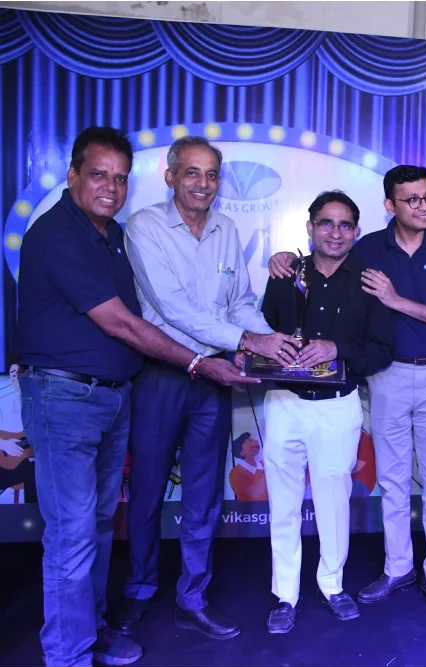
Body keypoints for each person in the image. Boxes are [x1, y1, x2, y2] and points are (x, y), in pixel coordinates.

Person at [15, 126, 254, 667]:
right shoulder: (71, 233)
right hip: (83, 393)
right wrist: (204, 359)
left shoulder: (108, 235)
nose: (111, 187)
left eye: (120, 178)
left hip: (118, 392)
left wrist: (260, 337)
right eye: (98, 175)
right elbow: (133, 320)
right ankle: (73, 651)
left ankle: (103, 627)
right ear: (72, 175)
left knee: (102, 523)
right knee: (79, 531)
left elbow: (237, 301)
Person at [267, 165, 426, 618]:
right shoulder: (367, 249)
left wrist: (397, 300)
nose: (424, 206)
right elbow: (321, 262)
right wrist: (282, 258)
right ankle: (398, 567)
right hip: (386, 377)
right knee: (394, 481)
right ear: (389, 205)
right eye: (412, 199)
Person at [111, 136, 300, 641]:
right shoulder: (144, 226)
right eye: (191, 172)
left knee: (204, 495)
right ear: (170, 176)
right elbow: (171, 307)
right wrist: (247, 339)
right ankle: (139, 591)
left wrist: (271, 343)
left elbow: (238, 302)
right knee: (147, 490)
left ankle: (192, 598)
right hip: (162, 373)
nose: (203, 183)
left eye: (212, 174)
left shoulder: (226, 229)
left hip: (215, 376)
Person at [258, 190, 394, 634]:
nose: (335, 232)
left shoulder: (370, 282)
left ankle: (332, 584)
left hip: (337, 407)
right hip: (284, 403)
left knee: (334, 504)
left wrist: (337, 349)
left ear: (355, 231)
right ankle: (285, 594)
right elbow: (261, 333)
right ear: (310, 227)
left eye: (344, 225)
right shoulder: (285, 274)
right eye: (326, 223)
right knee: (282, 503)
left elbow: (381, 351)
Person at [229, 432, 267, 502]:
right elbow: (255, 494)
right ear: (241, 452)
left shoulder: (264, 463)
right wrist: (267, 472)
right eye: (249, 441)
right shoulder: (236, 473)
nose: (254, 441)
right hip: (252, 508)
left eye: (252, 439)